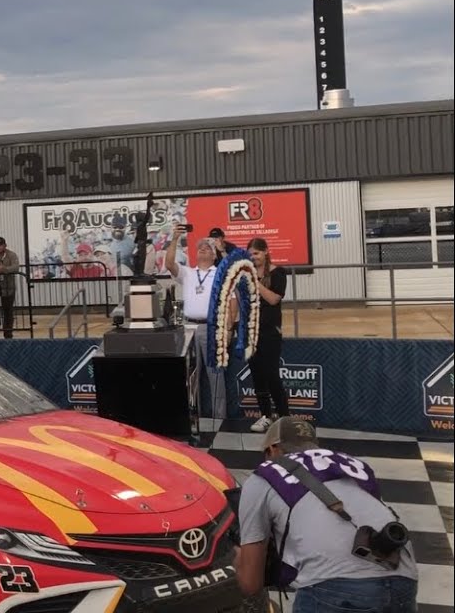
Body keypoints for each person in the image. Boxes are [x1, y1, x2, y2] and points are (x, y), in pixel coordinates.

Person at [237, 417, 419, 611]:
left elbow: (251, 583)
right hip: (403, 578)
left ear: (272, 450)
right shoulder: (353, 465)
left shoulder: (264, 475)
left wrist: (237, 558)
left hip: (334, 588)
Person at [166, 227, 230, 420]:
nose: (202, 249)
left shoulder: (220, 273)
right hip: (188, 328)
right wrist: (175, 238)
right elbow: (169, 264)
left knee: (216, 376)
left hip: (211, 328)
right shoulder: (187, 273)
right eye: (200, 247)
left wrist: (227, 329)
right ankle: (194, 418)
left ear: (214, 255)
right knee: (190, 376)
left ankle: (220, 419)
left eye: (207, 248)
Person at [247, 237, 291, 433]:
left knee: (272, 375)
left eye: (256, 253)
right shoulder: (246, 275)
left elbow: (273, 299)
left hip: (270, 332)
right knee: (257, 376)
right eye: (250, 254)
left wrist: (256, 282)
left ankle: (284, 417)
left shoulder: (278, 273)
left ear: (265, 252)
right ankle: (265, 415)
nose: (253, 257)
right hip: (251, 332)